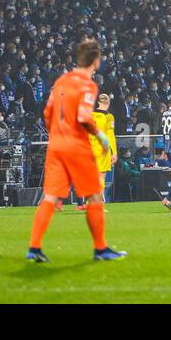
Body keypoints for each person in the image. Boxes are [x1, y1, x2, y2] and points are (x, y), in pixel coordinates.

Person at [25, 38, 126, 263]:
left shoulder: (61, 81)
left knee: (50, 197)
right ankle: (101, 249)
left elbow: (48, 113)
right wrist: (100, 136)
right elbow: (82, 116)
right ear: (95, 60)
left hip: (56, 144)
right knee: (94, 196)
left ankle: (34, 247)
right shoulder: (87, 84)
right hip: (75, 144)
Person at [79, 92, 118, 206]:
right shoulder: (108, 116)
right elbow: (110, 136)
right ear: (108, 103)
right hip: (102, 149)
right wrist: (113, 152)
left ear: (98, 102)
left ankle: (88, 201)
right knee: (101, 176)